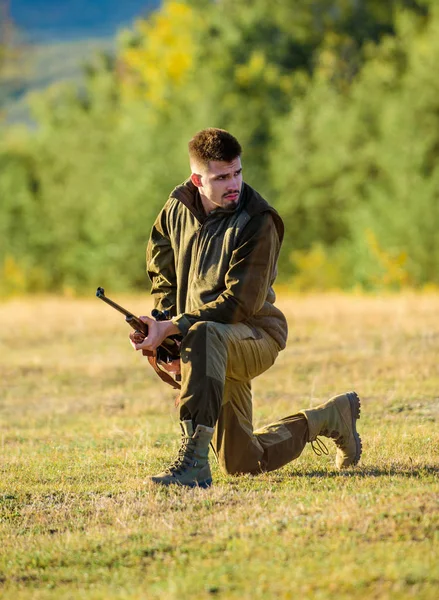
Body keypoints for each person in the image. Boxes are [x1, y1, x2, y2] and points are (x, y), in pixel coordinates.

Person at [130, 128, 362, 488]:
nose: (233, 183)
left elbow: (239, 305)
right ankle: (331, 417)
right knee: (242, 463)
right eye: (221, 177)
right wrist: (164, 332)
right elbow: (163, 274)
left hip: (255, 336)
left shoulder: (258, 219)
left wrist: (179, 329)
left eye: (236, 173)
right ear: (197, 179)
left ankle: (192, 463)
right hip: (207, 343)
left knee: (205, 334)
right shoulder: (177, 208)